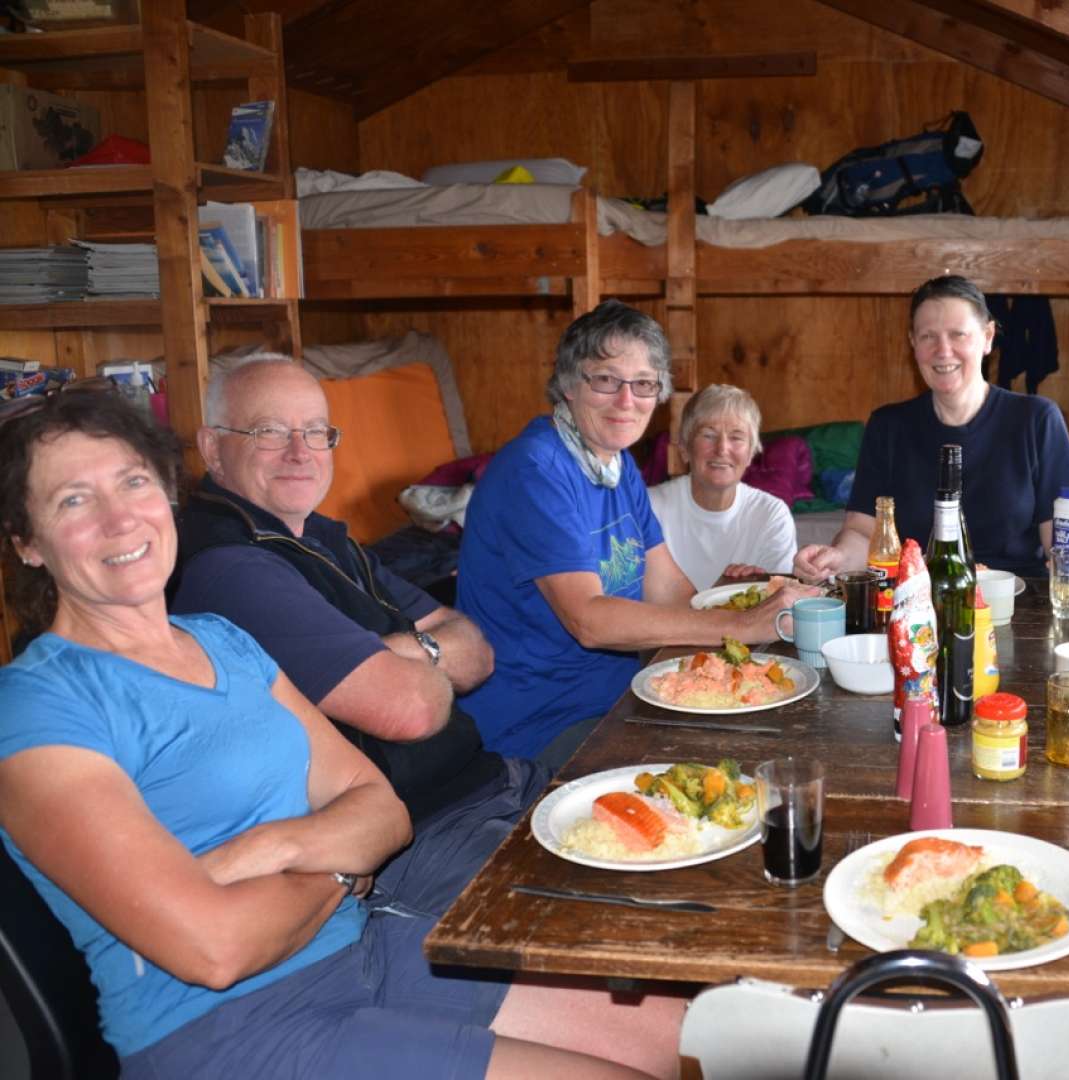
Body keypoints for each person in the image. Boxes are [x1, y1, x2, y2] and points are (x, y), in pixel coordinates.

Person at [0, 386, 680, 1078]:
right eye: (74, 501)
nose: (121, 519)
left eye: (133, 481)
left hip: (365, 948)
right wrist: (338, 861)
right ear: (27, 542)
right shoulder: (37, 708)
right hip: (234, 1029)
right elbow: (215, 949)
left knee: (673, 1035)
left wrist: (271, 849)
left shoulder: (221, 641)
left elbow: (380, 809)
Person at [169, 354, 545, 917]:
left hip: (488, 789)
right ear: (212, 446)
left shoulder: (317, 535)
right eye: (270, 431)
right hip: (416, 842)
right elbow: (410, 708)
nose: (300, 452)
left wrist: (384, 654)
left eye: (316, 432)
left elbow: (476, 650)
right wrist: (414, 658)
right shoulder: (230, 566)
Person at [456, 300, 815, 765]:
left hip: (616, 699)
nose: (627, 401)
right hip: (541, 726)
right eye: (606, 380)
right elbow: (589, 620)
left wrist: (763, 622)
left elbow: (669, 590)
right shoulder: (535, 471)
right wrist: (740, 625)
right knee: (740, 765)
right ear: (568, 384)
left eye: (643, 384)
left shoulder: (616, 464)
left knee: (780, 729)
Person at [793, 275, 1069, 586]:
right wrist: (834, 557)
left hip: (1018, 602)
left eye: (958, 335)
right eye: (928, 336)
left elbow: (1066, 531)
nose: (943, 351)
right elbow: (862, 531)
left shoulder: (1036, 419)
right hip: (920, 604)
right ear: (913, 343)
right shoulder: (888, 426)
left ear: (987, 337)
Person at [647, 383, 797, 590]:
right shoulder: (649, 507)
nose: (722, 449)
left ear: (751, 453)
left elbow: (778, 605)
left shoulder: (771, 514)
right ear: (684, 448)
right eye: (709, 435)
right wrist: (721, 596)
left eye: (736, 437)